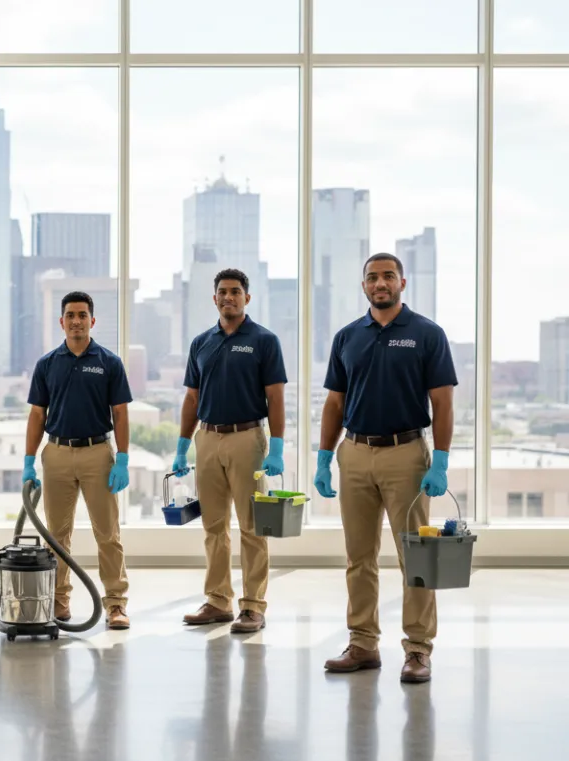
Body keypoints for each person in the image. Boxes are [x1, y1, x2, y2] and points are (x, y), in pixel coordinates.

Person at [314, 252, 456, 684]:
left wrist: (442, 460)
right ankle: (362, 643)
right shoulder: (347, 337)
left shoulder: (427, 334)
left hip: (406, 453)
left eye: (388, 276)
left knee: (415, 556)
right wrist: (324, 456)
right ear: (363, 286)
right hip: (354, 453)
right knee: (359, 557)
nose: (380, 283)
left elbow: (443, 401)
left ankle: (417, 649)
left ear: (402, 283)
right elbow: (335, 402)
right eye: (373, 277)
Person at [171, 269, 287, 633]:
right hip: (207, 438)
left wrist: (278, 445)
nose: (228, 297)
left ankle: (253, 606)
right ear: (214, 298)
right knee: (213, 526)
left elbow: (276, 397)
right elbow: (192, 397)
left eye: (236, 292)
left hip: (247, 438)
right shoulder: (201, 342)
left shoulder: (264, 340)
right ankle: (218, 600)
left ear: (247, 298)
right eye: (222, 291)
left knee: (252, 527)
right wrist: (182, 445)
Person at [23, 291, 133, 630]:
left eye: (82, 315)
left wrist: (123, 458)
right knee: (56, 535)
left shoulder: (109, 362)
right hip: (55, 454)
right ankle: (59, 602)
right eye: (70, 315)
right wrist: (29, 461)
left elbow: (120, 413)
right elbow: (37, 416)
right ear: (61, 321)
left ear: (92, 321)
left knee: (108, 533)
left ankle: (115, 604)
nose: (76, 321)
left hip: (97, 454)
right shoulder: (47, 364)